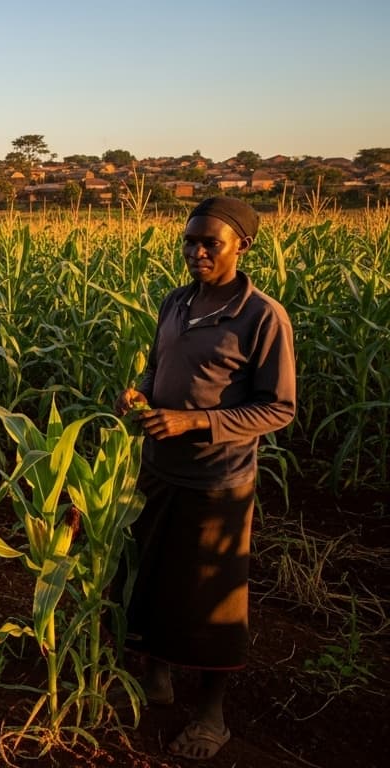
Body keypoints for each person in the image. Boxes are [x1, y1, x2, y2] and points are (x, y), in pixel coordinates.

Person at [115, 196, 295, 760]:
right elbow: (156, 365)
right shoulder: (176, 302)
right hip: (159, 468)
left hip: (218, 479)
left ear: (242, 246)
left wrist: (197, 421)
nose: (195, 252)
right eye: (189, 241)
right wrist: (140, 391)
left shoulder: (262, 316)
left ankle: (212, 716)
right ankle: (156, 678)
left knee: (210, 599)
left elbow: (278, 408)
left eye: (208, 243)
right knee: (151, 577)